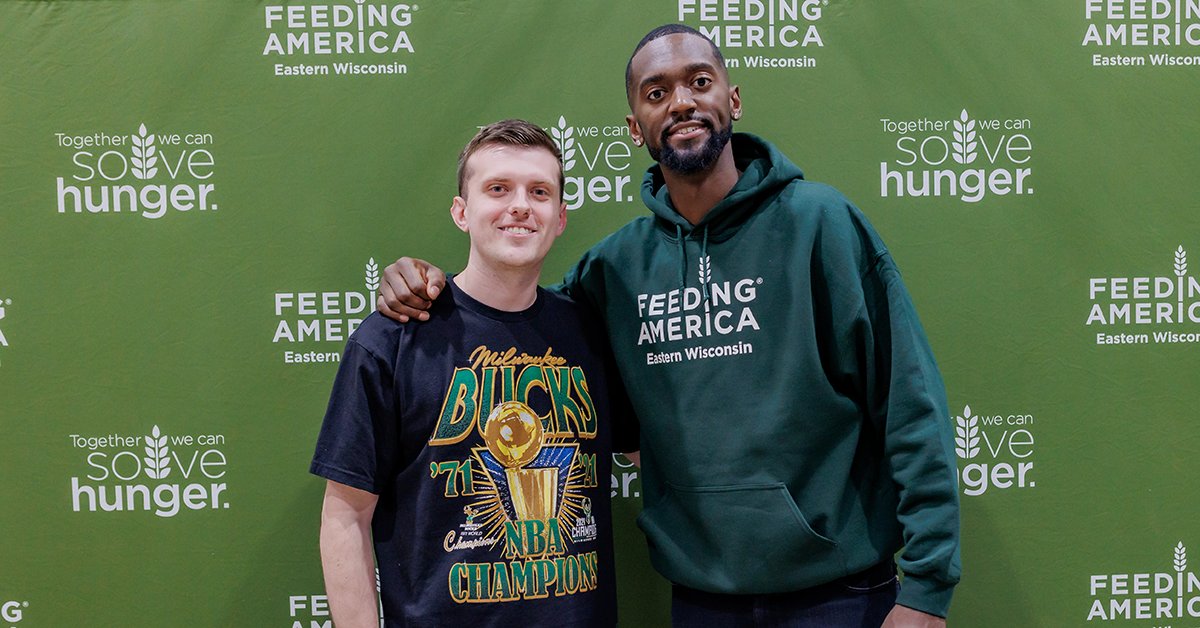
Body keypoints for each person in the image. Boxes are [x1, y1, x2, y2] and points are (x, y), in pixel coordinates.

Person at [376, 25, 961, 628]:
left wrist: (925, 590)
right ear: (635, 129)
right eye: (656, 93)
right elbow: (510, 314)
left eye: (699, 82)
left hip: (841, 594)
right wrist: (422, 284)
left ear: (732, 100)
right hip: (701, 598)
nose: (681, 102)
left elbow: (911, 407)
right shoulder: (614, 268)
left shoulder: (822, 225)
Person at [312, 119, 636, 628]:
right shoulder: (392, 339)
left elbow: (654, 450)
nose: (520, 205)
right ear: (462, 212)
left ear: (560, 217)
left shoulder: (592, 334)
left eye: (540, 191)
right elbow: (345, 516)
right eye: (497, 189)